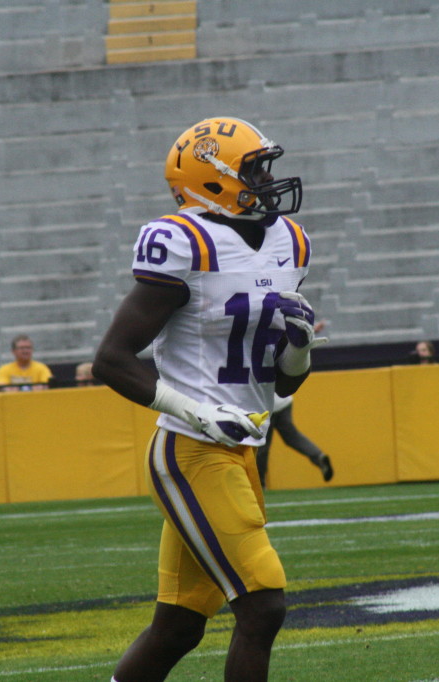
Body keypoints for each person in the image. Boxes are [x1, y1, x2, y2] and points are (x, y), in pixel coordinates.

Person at [92, 116, 322, 682]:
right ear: (212, 179)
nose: (267, 180)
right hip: (191, 449)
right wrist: (196, 410)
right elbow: (111, 360)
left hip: (241, 449)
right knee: (263, 604)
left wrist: (299, 352)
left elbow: (283, 384)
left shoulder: (289, 242)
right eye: (255, 170)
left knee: (179, 624)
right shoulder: (185, 243)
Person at [255, 391, 333, 488]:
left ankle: (260, 484)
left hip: (265, 408)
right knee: (292, 436)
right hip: (284, 401)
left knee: (262, 446)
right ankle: (318, 456)